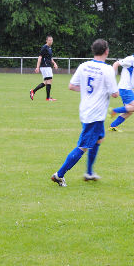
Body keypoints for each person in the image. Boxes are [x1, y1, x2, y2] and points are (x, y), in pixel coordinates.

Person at [51, 39, 119, 187]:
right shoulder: (108, 69)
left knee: (99, 139)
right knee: (83, 146)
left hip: (86, 111)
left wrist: (90, 92)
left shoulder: (84, 66)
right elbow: (115, 94)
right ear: (106, 51)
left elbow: (71, 86)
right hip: (95, 115)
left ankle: (89, 172)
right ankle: (59, 175)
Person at [30, 35, 59, 101]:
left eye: (51, 40)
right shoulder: (44, 47)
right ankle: (48, 98)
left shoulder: (49, 48)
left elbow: (50, 58)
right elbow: (40, 57)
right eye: (49, 40)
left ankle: (33, 91)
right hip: (45, 66)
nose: (51, 41)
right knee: (49, 80)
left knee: (46, 82)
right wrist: (37, 67)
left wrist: (54, 63)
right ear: (46, 41)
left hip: (48, 66)